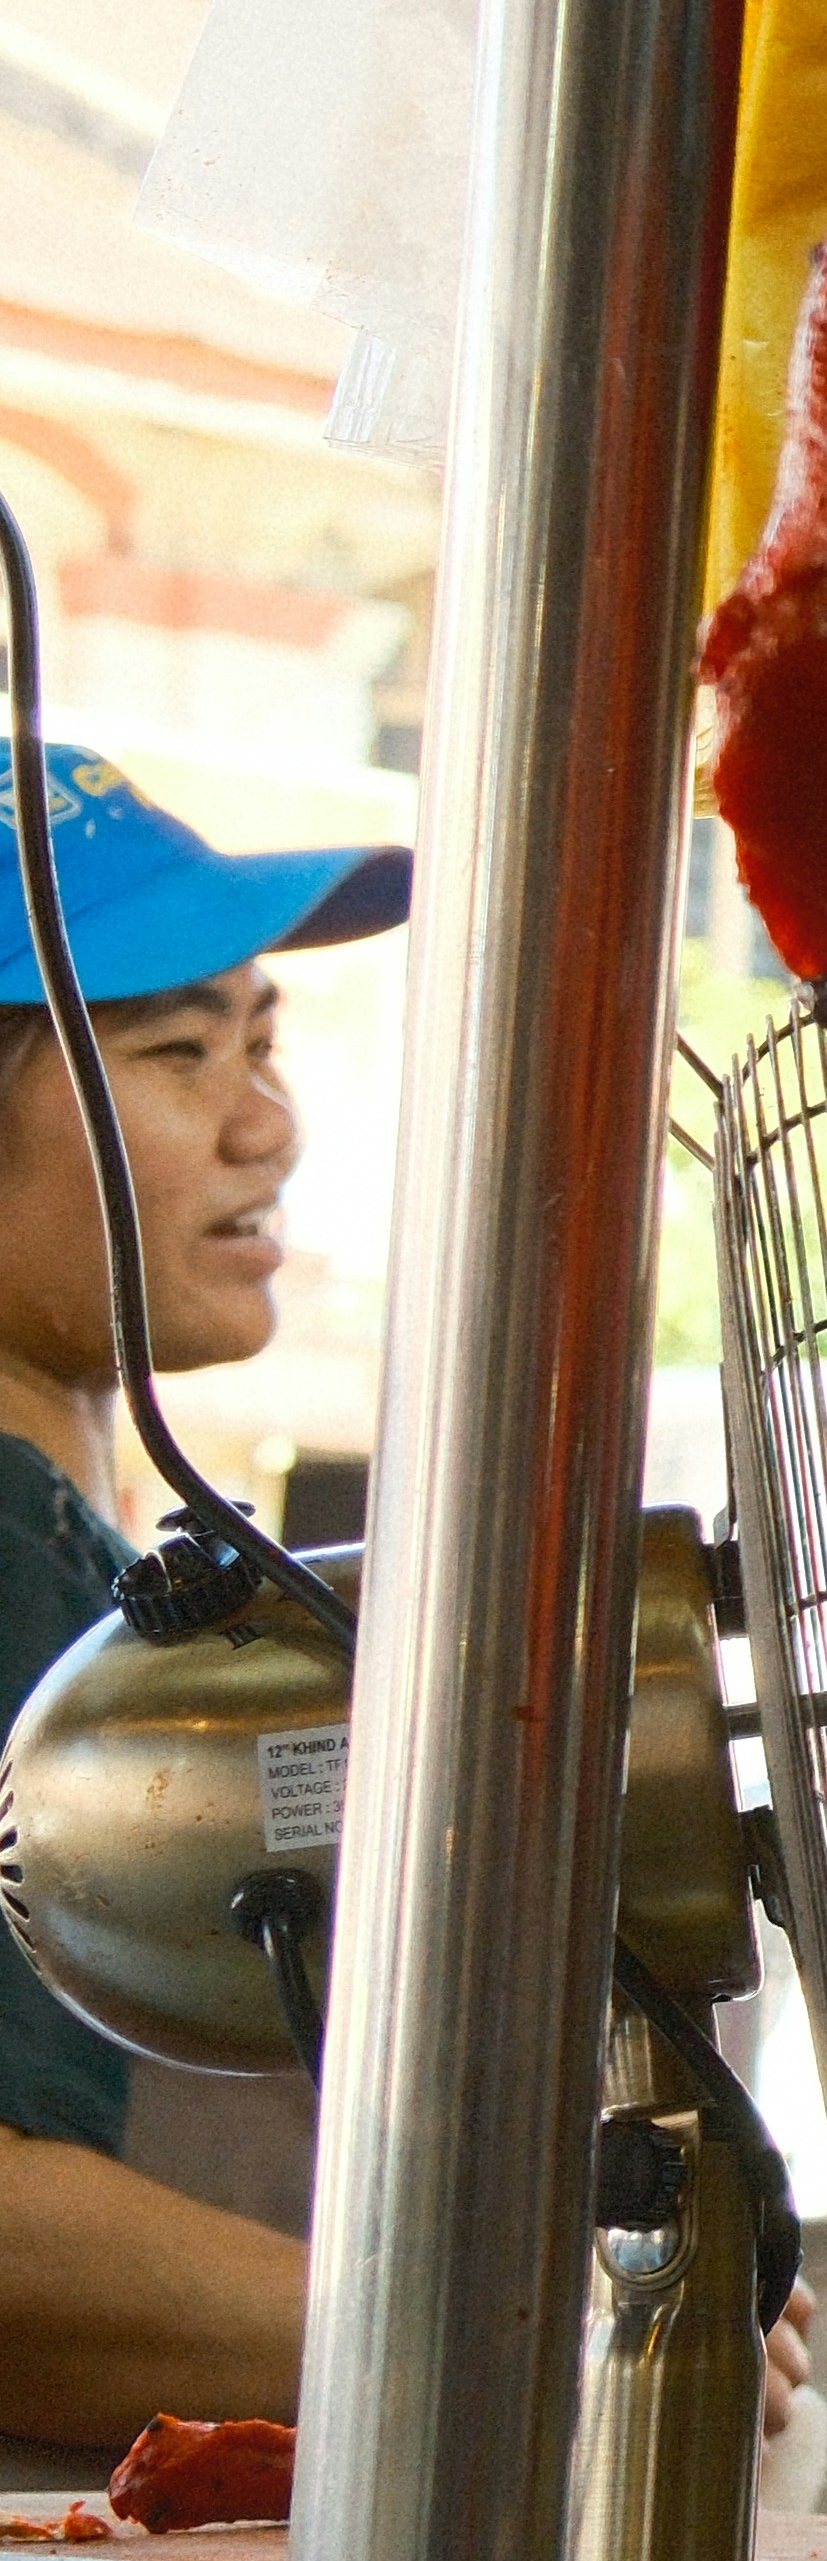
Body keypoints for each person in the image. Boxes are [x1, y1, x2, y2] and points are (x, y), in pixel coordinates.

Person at [0, 748, 402, 2470]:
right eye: (178, 1053)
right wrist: (491, 2327)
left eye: (263, 1040)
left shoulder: (90, 1565)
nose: (268, 1122)